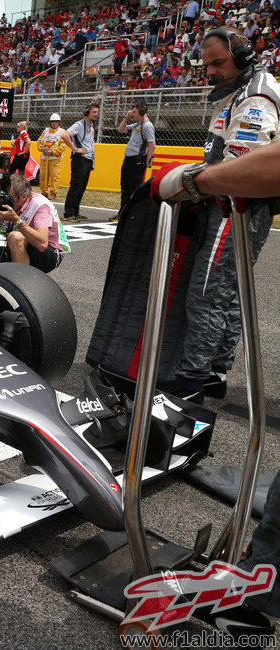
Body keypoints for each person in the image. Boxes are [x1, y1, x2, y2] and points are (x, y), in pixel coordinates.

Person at [151, 27, 280, 402]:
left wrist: (191, 180)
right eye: (207, 65)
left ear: (242, 57)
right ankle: (216, 372)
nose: (211, 72)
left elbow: (240, 165)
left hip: (234, 207)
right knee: (230, 293)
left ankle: (190, 382)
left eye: (218, 63)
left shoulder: (256, 94)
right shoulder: (240, 90)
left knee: (206, 294)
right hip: (236, 207)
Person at [0, 173, 65, 272]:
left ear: (24, 196)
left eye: (10, 197)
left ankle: (23, 283)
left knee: (15, 237)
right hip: (18, 247)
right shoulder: (5, 204)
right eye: (3, 195)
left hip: (50, 254)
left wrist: (16, 220)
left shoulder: (40, 205)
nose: (5, 199)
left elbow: (42, 244)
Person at [63, 100, 100, 223]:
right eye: (94, 112)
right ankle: (68, 213)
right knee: (76, 187)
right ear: (87, 112)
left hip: (88, 160)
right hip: (80, 160)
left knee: (82, 187)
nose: (96, 114)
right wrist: (75, 149)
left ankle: (75, 212)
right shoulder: (79, 124)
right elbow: (65, 135)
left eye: (97, 112)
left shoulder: (91, 126)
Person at [117, 102, 156, 213]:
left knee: (133, 189)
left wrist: (147, 161)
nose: (132, 114)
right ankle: (123, 212)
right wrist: (126, 117)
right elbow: (121, 129)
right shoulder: (137, 125)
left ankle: (132, 213)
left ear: (142, 111)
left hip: (137, 161)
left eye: (134, 112)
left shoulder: (147, 125)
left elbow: (152, 145)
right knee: (125, 187)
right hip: (128, 160)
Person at [35, 113, 71, 200]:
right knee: (43, 176)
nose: (54, 123)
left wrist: (52, 152)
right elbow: (39, 142)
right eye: (52, 122)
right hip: (44, 158)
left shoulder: (62, 132)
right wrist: (43, 149)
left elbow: (63, 146)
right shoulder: (45, 131)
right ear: (50, 122)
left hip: (55, 158)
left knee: (55, 176)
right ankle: (44, 192)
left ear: (59, 123)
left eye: (56, 122)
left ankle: (53, 193)